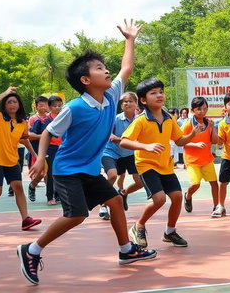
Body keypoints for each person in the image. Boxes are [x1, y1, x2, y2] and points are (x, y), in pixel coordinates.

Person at [17, 21, 156, 286]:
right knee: (77, 215)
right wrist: (39, 161)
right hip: (68, 170)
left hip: (90, 170)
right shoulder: (75, 107)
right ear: (85, 80)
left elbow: (126, 68)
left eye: (105, 68)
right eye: (100, 69)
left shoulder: (112, 95)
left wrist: (130, 39)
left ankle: (126, 250)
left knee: (115, 201)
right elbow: (48, 132)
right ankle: (32, 249)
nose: (107, 71)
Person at [120, 78, 200, 248]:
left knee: (178, 197)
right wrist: (145, 146)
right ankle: (138, 226)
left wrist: (192, 135)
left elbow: (179, 141)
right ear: (143, 100)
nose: (159, 95)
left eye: (161, 92)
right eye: (153, 93)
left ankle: (170, 232)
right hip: (146, 165)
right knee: (159, 199)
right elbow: (124, 141)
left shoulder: (169, 118)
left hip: (166, 166)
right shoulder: (141, 120)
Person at [0, 88, 40, 231]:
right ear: (4, 105)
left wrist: (35, 154)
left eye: (14, 102)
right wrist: (5, 93)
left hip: (13, 160)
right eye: (9, 102)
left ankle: (26, 219)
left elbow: (24, 140)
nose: (12, 104)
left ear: (19, 105)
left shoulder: (22, 123)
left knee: (18, 188)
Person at [98, 91, 143, 220]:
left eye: (130, 101)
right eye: (124, 102)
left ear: (136, 104)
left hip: (130, 153)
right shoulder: (116, 118)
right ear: (121, 105)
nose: (127, 103)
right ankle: (103, 205)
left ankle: (123, 192)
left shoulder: (140, 120)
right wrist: (119, 139)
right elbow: (109, 135)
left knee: (140, 183)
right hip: (111, 152)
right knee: (112, 176)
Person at [181, 96, 219, 214]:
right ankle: (188, 195)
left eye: (204, 108)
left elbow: (215, 140)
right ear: (192, 110)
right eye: (199, 109)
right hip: (192, 161)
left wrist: (212, 128)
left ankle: (216, 206)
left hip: (207, 159)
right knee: (195, 184)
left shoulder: (209, 123)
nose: (202, 111)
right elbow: (181, 142)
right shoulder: (188, 124)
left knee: (214, 183)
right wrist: (195, 145)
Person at [28, 95, 63, 205]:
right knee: (49, 172)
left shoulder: (64, 117)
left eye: (59, 105)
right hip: (49, 148)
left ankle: (58, 195)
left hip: (61, 148)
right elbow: (40, 135)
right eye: (54, 106)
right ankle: (49, 196)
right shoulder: (43, 120)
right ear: (50, 107)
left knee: (60, 172)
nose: (57, 108)